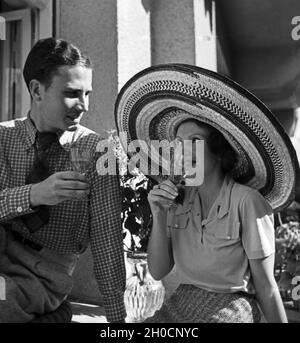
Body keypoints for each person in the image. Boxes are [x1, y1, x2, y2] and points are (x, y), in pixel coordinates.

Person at [114, 64, 299, 323]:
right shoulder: (177, 200)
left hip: (234, 305)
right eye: (178, 142)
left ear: (219, 153)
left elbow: (267, 287)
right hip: (181, 302)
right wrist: (159, 214)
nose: (183, 150)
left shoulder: (246, 201)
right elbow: (158, 271)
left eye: (195, 141)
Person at [0, 38, 126, 323]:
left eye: (87, 94)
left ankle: (57, 312)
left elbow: (108, 243)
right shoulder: (2, 138)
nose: (83, 106)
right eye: (72, 93)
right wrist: (34, 194)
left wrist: (118, 322)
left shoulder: (98, 151)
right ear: (37, 90)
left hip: (44, 274)